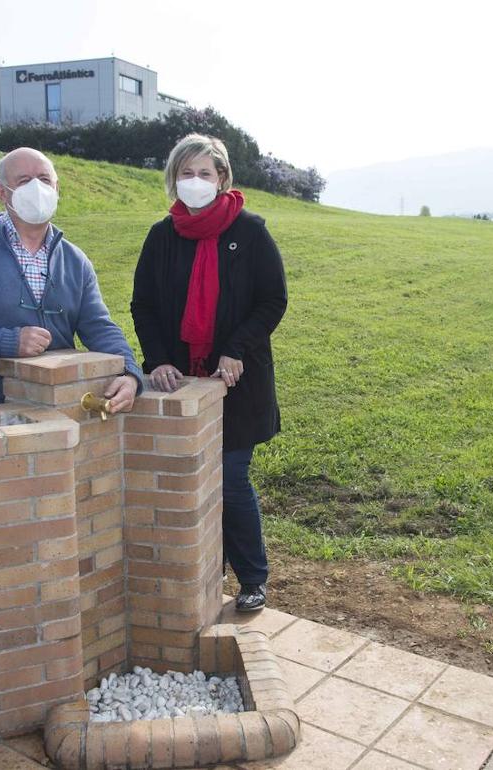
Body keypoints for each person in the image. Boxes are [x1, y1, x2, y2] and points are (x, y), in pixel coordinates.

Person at [130, 134, 288, 612]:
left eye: (205, 173)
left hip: (236, 383)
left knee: (231, 478)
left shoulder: (250, 231)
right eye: (186, 173)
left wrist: (236, 348)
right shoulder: (162, 235)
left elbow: (272, 301)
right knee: (188, 477)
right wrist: (158, 359)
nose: (195, 182)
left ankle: (253, 577)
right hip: (181, 382)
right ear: (173, 179)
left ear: (222, 179)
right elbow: (145, 305)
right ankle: (203, 573)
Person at [0, 147, 143, 408]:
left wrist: (129, 373)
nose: (37, 188)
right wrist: (8, 342)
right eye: (25, 181)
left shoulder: (75, 260)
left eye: (44, 180)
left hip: (60, 410)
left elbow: (99, 327)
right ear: (2, 192)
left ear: (57, 188)